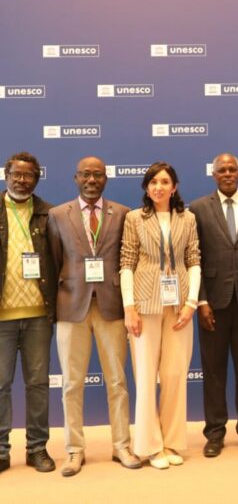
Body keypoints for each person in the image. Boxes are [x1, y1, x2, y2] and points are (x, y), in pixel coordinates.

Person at [48, 157, 141, 476]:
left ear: (106, 178)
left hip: (111, 306)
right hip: (71, 306)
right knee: (72, 383)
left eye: (97, 175)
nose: (91, 180)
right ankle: (74, 449)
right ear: (76, 178)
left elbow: (128, 260)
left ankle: (121, 445)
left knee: (117, 380)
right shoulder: (58, 214)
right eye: (85, 174)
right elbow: (55, 261)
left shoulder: (123, 213)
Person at [120, 162, 200, 469]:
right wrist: (129, 306)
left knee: (175, 374)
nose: (159, 187)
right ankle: (149, 446)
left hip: (179, 304)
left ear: (174, 187)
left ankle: (171, 442)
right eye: (153, 182)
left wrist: (192, 302)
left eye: (165, 182)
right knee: (145, 375)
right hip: (144, 304)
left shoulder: (188, 218)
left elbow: (194, 259)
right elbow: (126, 262)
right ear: (146, 187)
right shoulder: (134, 218)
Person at [190, 153, 238, 457]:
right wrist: (201, 300)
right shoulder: (198, 208)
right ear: (213, 175)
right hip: (212, 303)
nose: (227, 173)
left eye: (232, 169)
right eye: (221, 170)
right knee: (213, 371)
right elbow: (193, 258)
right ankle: (214, 433)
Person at [0, 152, 57, 474]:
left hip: (38, 315)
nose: (22, 180)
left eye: (29, 175)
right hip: (2, 317)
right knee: (0, 385)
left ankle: (37, 448)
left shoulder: (49, 213)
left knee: (37, 384)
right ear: (6, 175)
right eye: (16, 175)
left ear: (37, 178)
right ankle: (0, 450)